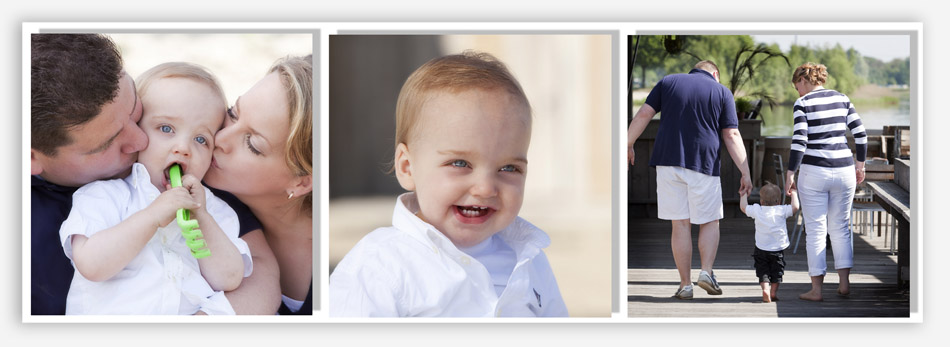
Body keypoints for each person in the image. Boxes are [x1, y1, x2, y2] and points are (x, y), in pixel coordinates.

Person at [31, 34, 280, 315]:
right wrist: (152, 216)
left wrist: (202, 218)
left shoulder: (214, 206)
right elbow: (92, 264)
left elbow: (231, 278)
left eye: (201, 139)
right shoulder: (104, 196)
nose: (183, 148)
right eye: (165, 129)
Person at [329, 51, 568, 317]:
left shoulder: (529, 260)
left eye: (509, 168)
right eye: (460, 163)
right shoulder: (379, 265)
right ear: (407, 167)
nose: (485, 188)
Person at [627, 60, 753, 300]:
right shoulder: (721, 92)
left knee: (680, 224)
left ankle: (685, 285)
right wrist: (745, 171)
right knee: (710, 221)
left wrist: (628, 143)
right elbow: (731, 133)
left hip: (667, 162)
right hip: (703, 163)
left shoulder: (668, 82)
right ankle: (706, 272)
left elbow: (644, 113)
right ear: (715, 74)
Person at [204, 54, 313, 315]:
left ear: (301, 182)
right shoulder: (199, 194)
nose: (220, 138)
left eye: (253, 144)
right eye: (233, 113)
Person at [784, 62, 866, 302]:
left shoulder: (803, 103)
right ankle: (844, 284)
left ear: (802, 80)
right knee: (840, 227)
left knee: (816, 230)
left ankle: (816, 291)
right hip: (844, 170)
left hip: (814, 172)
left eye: (796, 86)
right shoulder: (843, 98)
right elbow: (861, 135)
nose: (797, 91)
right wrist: (860, 165)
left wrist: (790, 173)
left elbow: (800, 140)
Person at [739, 182, 799, 303]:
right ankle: (773, 292)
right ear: (778, 201)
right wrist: (794, 193)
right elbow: (795, 207)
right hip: (777, 249)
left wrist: (743, 194)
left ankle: (765, 289)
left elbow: (743, 207)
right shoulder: (782, 210)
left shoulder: (757, 209)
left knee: (763, 270)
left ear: (761, 201)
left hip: (761, 248)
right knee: (777, 271)